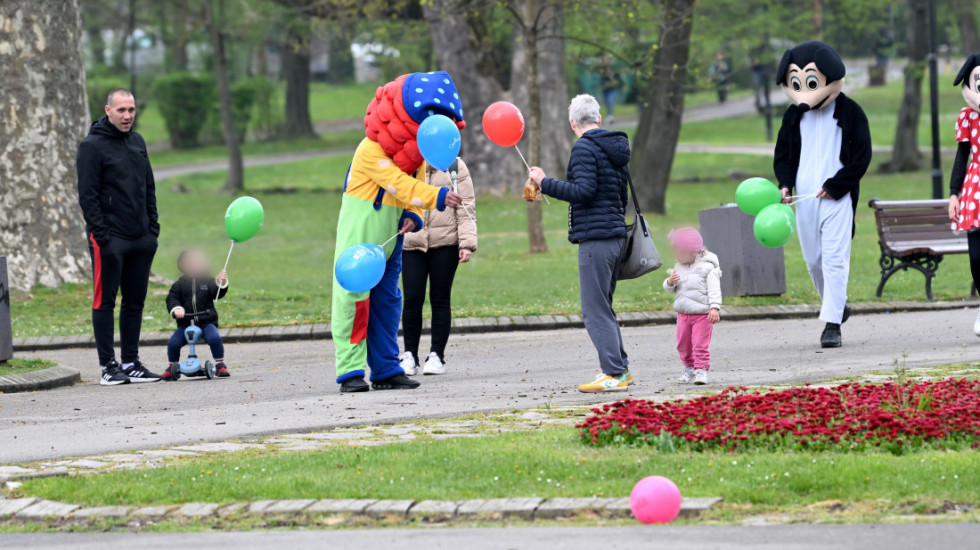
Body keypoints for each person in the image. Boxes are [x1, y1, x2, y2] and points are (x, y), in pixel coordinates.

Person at [332, 71, 464, 393]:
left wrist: (414, 216)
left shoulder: (415, 156)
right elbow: (398, 184)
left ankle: (386, 368)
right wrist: (439, 197)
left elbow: (410, 194)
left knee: (388, 303)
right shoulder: (369, 150)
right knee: (354, 301)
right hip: (360, 241)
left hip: (391, 240)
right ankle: (350, 370)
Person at [528, 94, 633, 393]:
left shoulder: (584, 147)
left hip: (596, 240)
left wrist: (544, 182)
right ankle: (621, 369)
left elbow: (584, 190)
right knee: (605, 306)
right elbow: (620, 196)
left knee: (594, 310)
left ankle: (613, 373)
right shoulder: (616, 148)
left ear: (573, 123)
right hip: (615, 236)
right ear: (599, 119)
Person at [773, 41, 872, 349]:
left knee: (834, 260)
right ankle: (838, 306)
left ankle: (831, 325)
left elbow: (862, 156)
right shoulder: (793, 116)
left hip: (837, 198)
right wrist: (785, 184)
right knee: (813, 260)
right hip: (804, 199)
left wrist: (838, 184)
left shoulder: (851, 112)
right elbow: (784, 155)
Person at [77, 88, 162, 386]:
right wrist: (101, 236)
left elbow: (149, 187)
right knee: (105, 301)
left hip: (141, 238)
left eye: (131, 110)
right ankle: (108, 367)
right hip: (110, 240)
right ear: (108, 110)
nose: (127, 116)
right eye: (121, 110)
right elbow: (87, 197)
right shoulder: (92, 146)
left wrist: (153, 229)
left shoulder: (137, 142)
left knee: (134, 302)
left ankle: (131, 362)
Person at [400, 158, 478, 376]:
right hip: (411, 242)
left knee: (440, 299)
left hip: (446, 243)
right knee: (412, 299)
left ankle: (436, 356)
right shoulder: (407, 162)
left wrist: (467, 243)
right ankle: (409, 355)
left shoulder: (455, 166)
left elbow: (466, 206)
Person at [947, 53, 980, 335]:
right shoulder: (968, 117)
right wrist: (954, 193)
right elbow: (962, 155)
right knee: (977, 257)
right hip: (975, 189)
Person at [663, 227, 722, 386]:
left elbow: (714, 289)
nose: (676, 255)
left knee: (699, 344)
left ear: (692, 252)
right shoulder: (679, 266)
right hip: (683, 314)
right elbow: (670, 288)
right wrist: (670, 283)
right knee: (683, 344)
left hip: (702, 315)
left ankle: (701, 370)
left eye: (679, 251)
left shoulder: (708, 267)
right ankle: (688, 368)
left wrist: (714, 307)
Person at [163, 249, 231, 380]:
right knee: (174, 342)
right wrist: (177, 309)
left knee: (214, 338)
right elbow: (172, 299)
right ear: (183, 266)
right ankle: (171, 366)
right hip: (185, 322)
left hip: (206, 321)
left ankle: (220, 364)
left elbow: (217, 293)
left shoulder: (208, 281)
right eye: (190, 263)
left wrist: (221, 283)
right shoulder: (179, 285)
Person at [598, 56, 621, 124]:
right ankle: (609, 115)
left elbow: (615, 78)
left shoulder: (612, 69)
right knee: (606, 103)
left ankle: (611, 116)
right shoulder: (602, 70)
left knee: (609, 101)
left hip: (611, 89)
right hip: (604, 88)